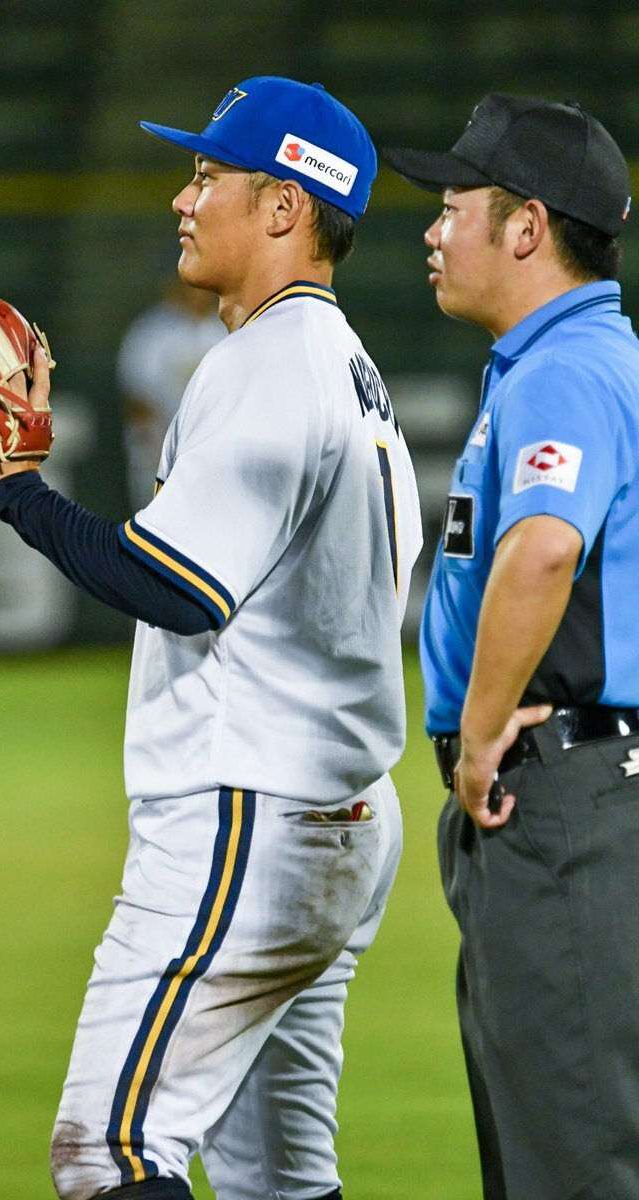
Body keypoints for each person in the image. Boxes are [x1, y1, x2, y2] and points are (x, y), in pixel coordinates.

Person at [0, 77, 421, 1200]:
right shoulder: (347, 367)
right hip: (336, 815)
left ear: (284, 207)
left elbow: (174, 586)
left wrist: (18, 489)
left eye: (211, 174)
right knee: (280, 1181)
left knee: (109, 1153)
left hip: (249, 817)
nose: (183, 197)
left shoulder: (268, 364)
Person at [383, 95, 639, 1199]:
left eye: (453, 206)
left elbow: (541, 552)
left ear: (525, 226)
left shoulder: (565, 368)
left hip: (563, 798)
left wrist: (482, 736)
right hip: (578, 795)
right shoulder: (571, 358)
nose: (432, 230)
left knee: (573, 1165)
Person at [117, 268, 224, 512]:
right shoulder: (150, 333)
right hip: (160, 453)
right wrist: (163, 453)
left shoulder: (227, 328)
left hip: (216, 451)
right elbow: (139, 403)